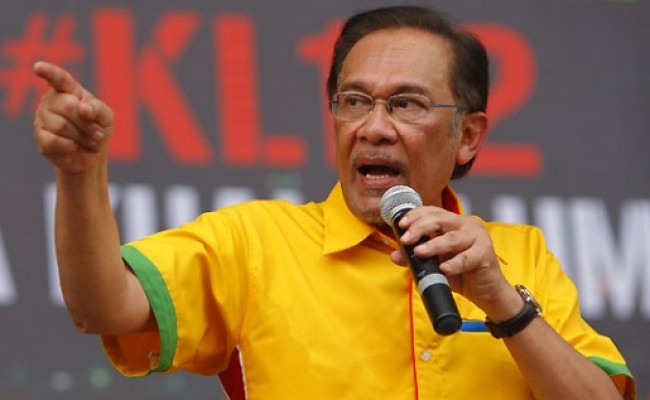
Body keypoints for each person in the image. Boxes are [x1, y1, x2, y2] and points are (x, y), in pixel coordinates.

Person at [33, 5, 634, 399]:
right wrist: (81, 175)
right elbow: (102, 307)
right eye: (354, 102)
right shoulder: (258, 244)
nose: (374, 127)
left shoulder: (519, 257)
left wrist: (502, 302)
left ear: (468, 136)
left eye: (406, 104)